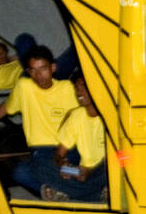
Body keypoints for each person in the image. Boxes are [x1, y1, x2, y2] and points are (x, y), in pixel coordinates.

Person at [0, 46, 78, 194]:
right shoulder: (24, 87)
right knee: (20, 173)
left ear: (53, 68)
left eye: (43, 69)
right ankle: (68, 188)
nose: (38, 75)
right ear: (28, 72)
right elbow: (5, 108)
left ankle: (62, 188)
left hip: (67, 147)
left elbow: (80, 118)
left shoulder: (67, 88)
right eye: (33, 70)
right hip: (42, 150)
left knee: (62, 167)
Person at [39, 74, 107, 203]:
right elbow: (59, 154)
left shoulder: (111, 114)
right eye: (76, 88)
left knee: (115, 166)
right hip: (81, 173)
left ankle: (70, 192)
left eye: (83, 87)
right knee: (40, 163)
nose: (79, 92)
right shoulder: (76, 115)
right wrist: (62, 164)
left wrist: (91, 170)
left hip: (103, 171)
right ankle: (97, 194)